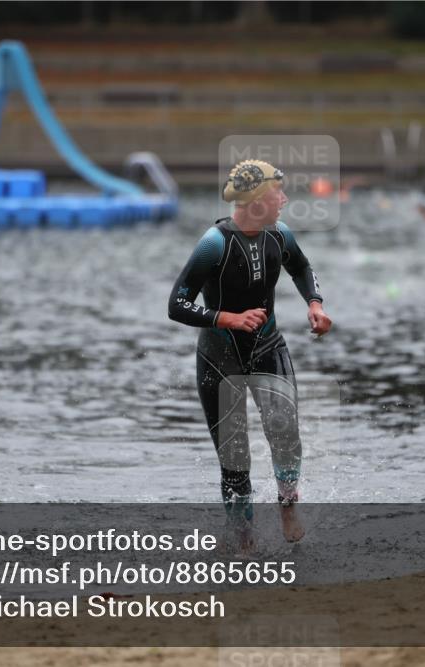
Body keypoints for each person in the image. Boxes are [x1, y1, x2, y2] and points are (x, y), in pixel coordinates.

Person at [168, 159, 332, 546]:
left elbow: (302, 267)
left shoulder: (280, 234)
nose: (285, 199)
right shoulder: (213, 244)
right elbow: (177, 304)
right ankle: (243, 538)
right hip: (218, 357)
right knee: (235, 458)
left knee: (286, 431)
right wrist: (227, 318)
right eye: (279, 192)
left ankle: (288, 504)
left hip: (268, 346)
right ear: (257, 200)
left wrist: (315, 303)